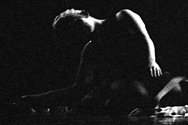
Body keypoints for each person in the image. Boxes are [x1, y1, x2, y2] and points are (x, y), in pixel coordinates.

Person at [21, 8, 168, 115]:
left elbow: (145, 38)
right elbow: (78, 87)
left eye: (78, 23)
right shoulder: (91, 49)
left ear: (85, 14)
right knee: (99, 97)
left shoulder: (123, 17)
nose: (78, 29)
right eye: (73, 31)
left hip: (154, 76)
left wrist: (151, 61)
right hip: (128, 83)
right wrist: (38, 98)